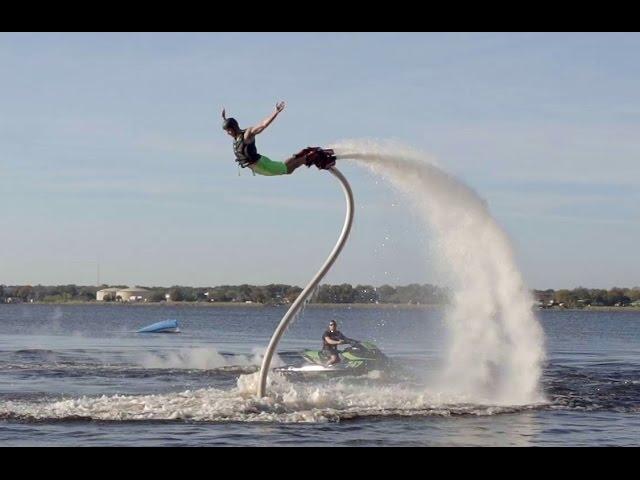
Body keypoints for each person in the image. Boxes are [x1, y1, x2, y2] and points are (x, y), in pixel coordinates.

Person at [221, 101, 336, 176]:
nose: (228, 133)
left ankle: (311, 156)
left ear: (234, 128)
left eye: (228, 130)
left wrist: (275, 113)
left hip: (262, 165)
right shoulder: (237, 137)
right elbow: (230, 124)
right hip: (260, 162)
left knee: (288, 170)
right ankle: (302, 155)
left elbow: (263, 124)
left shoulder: (247, 135)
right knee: (284, 166)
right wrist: (225, 118)